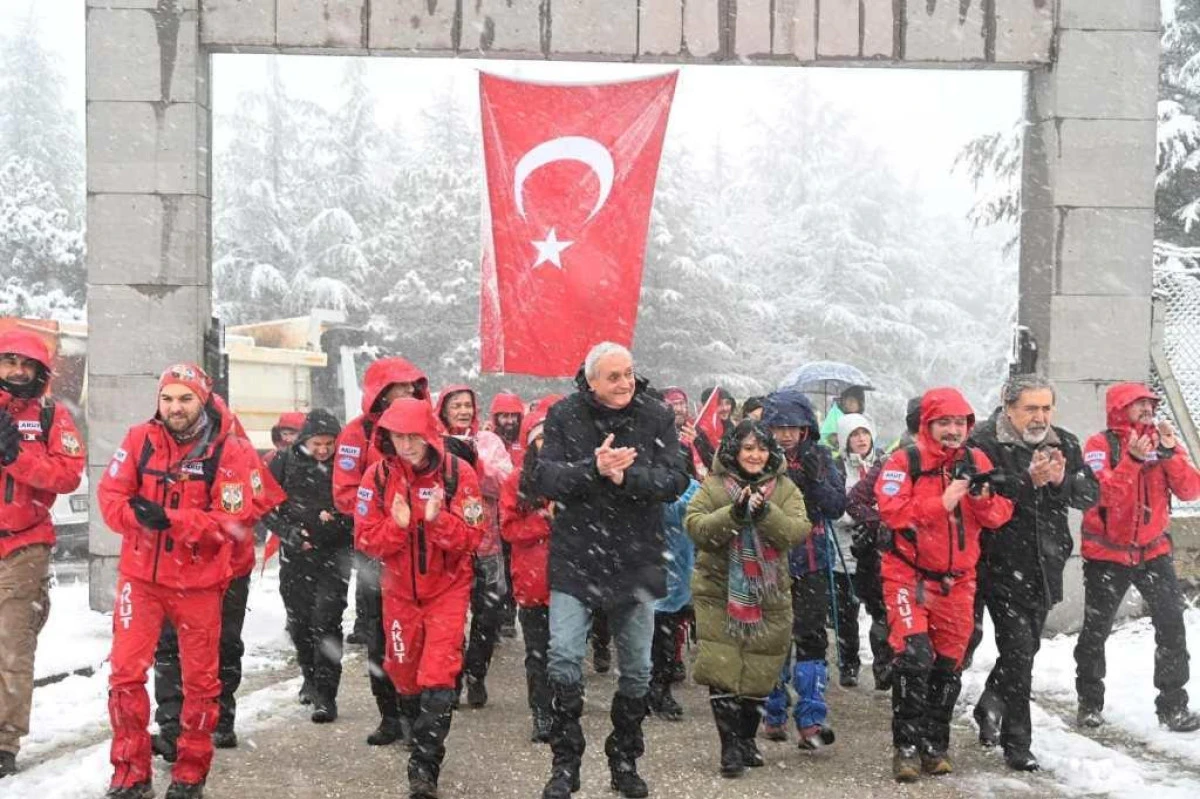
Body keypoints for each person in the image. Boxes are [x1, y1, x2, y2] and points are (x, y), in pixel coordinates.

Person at [98, 364, 277, 799]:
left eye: (185, 399)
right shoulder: (139, 439)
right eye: (168, 399)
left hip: (199, 584)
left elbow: (232, 521)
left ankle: (190, 773)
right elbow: (110, 496)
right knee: (124, 676)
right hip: (140, 580)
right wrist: (138, 518)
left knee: (201, 682)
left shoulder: (228, 450)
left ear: (202, 400)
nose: (175, 408)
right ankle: (129, 772)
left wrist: (172, 521)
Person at [533, 342, 689, 799]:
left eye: (629, 374)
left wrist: (628, 477)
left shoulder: (656, 415)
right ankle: (565, 762)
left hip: (636, 557)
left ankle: (624, 759)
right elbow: (544, 478)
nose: (625, 383)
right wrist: (593, 468)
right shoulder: (564, 415)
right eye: (614, 376)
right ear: (592, 381)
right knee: (562, 657)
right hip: (577, 555)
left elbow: (676, 480)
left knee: (638, 670)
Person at [875, 387, 1013, 782]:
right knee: (914, 656)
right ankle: (905, 745)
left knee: (949, 665)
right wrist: (944, 501)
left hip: (959, 581)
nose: (953, 430)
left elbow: (1000, 514)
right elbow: (891, 511)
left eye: (959, 423)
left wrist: (984, 500)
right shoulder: (904, 461)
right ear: (928, 424)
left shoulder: (977, 459)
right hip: (908, 576)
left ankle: (935, 743)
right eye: (945, 423)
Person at [354, 398, 484, 799]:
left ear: (429, 433)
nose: (406, 444)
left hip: (447, 589)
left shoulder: (457, 473)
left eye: (413, 435)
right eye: (398, 436)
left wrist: (438, 520)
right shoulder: (376, 477)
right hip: (398, 594)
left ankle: (424, 768)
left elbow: (473, 536)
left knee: (439, 674)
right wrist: (397, 526)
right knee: (404, 674)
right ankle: (414, 726)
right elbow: (364, 537)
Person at [968, 375, 1098, 771]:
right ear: (1009, 408)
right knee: (1020, 652)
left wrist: (1061, 479)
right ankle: (1017, 744)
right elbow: (980, 491)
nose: (1040, 417)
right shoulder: (984, 442)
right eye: (1030, 409)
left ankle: (990, 702)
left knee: (1025, 649)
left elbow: (1091, 494)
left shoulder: (1065, 442)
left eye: (1046, 408)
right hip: (997, 563)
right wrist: (1027, 480)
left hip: (1046, 563)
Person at [686, 420, 811, 778]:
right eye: (748, 448)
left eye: (761, 448)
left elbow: (795, 531)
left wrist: (764, 514)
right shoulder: (713, 486)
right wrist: (735, 514)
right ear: (733, 452)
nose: (755, 456)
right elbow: (696, 528)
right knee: (722, 667)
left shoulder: (784, 489)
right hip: (718, 590)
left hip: (769, 592)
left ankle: (745, 738)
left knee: (760, 669)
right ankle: (729, 748)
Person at [1074, 382, 1200, 733]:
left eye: (1150, 403)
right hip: (1107, 555)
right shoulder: (1100, 445)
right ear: (1120, 408)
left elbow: (1191, 489)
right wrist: (1132, 460)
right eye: (1139, 404)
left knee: (1172, 627)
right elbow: (1104, 496)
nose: (1148, 409)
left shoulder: (1162, 442)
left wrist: (1172, 451)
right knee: (1096, 631)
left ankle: (1173, 705)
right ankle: (1089, 701)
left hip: (1153, 552)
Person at [332, 357, 430, 747]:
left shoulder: (427, 428)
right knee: (378, 633)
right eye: (399, 388)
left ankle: (418, 713)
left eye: (411, 388)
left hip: (422, 550)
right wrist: (388, 511)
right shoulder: (356, 434)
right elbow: (344, 493)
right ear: (380, 393)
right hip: (375, 550)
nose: (407, 394)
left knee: (420, 632)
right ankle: (389, 715)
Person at [0, 330, 85, 779]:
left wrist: (16, 457)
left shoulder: (51, 415)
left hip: (24, 543)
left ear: (39, 372)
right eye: (8, 361)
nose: (16, 371)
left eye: (25, 364)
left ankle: (4, 741)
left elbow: (68, 476)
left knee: (12, 646)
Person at [759, 390, 846, 749]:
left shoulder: (821, 458)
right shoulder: (756, 456)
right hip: (767, 559)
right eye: (778, 427)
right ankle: (773, 709)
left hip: (811, 560)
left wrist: (816, 482)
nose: (786, 435)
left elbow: (837, 506)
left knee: (810, 637)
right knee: (772, 638)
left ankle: (811, 717)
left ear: (806, 426)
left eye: (793, 427)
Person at [264, 409, 355, 723]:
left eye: (330, 443)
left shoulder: (346, 465)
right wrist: (288, 533)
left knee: (327, 622)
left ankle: (327, 696)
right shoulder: (283, 462)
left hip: (333, 555)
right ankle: (309, 675)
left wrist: (339, 522)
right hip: (295, 556)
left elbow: (359, 506)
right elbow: (264, 505)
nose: (323, 449)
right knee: (300, 623)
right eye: (318, 442)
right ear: (305, 439)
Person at [436, 384, 514, 708]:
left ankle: (477, 672)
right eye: (456, 405)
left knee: (489, 615)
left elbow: (506, 481)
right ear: (443, 409)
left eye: (468, 404)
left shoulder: (489, 441)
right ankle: (451, 678)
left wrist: (477, 463)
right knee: (450, 618)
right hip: (449, 545)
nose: (463, 411)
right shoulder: (432, 443)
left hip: (487, 542)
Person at [499, 403, 555, 742]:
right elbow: (509, 529)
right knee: (538, 652)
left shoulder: (573, 474)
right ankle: (542, 712)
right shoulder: (515, 481)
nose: (547, 444)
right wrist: (545, 521)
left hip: (568, 581)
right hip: (533, 580)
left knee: (566, 652)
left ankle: (564, 705)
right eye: (541, 438)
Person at [830, 412, 884, 687]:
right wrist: (863, 516)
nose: (861, 439)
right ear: (844, 440)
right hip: (845, 553)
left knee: (881, 613)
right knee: (846, 615)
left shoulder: (885, 463)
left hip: (878, 553)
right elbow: (834, 510)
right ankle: (848, 663)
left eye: (864, 433)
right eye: (854, 435)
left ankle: (883, 666)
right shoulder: (836, 468)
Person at [648, 474, 699, 722]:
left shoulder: (691, 488)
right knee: (648, 638)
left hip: (677, 575)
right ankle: (648, 689)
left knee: (667, 638)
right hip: (643, 569)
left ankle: (660, 688)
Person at [489, 391, 525, 638]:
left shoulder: (525, 440)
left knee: (512, 567)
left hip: (515, 513)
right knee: (493, 567)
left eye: (513, 415)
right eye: (504, 415)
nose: (509, 421)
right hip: (492, 514)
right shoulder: (487, 440)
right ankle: (493, 613)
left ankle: (508, 616)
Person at [694, 387, 736, 472]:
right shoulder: (697, 431)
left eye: (727, 403)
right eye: (719, 404)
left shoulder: (732, 428)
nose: (725, 408)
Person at [820, 385, 867, 450]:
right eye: (847, 400)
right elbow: (831, 438)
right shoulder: (836, 413)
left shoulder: (860, 418)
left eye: (852, 401)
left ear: (860, 403)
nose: (848, 404)